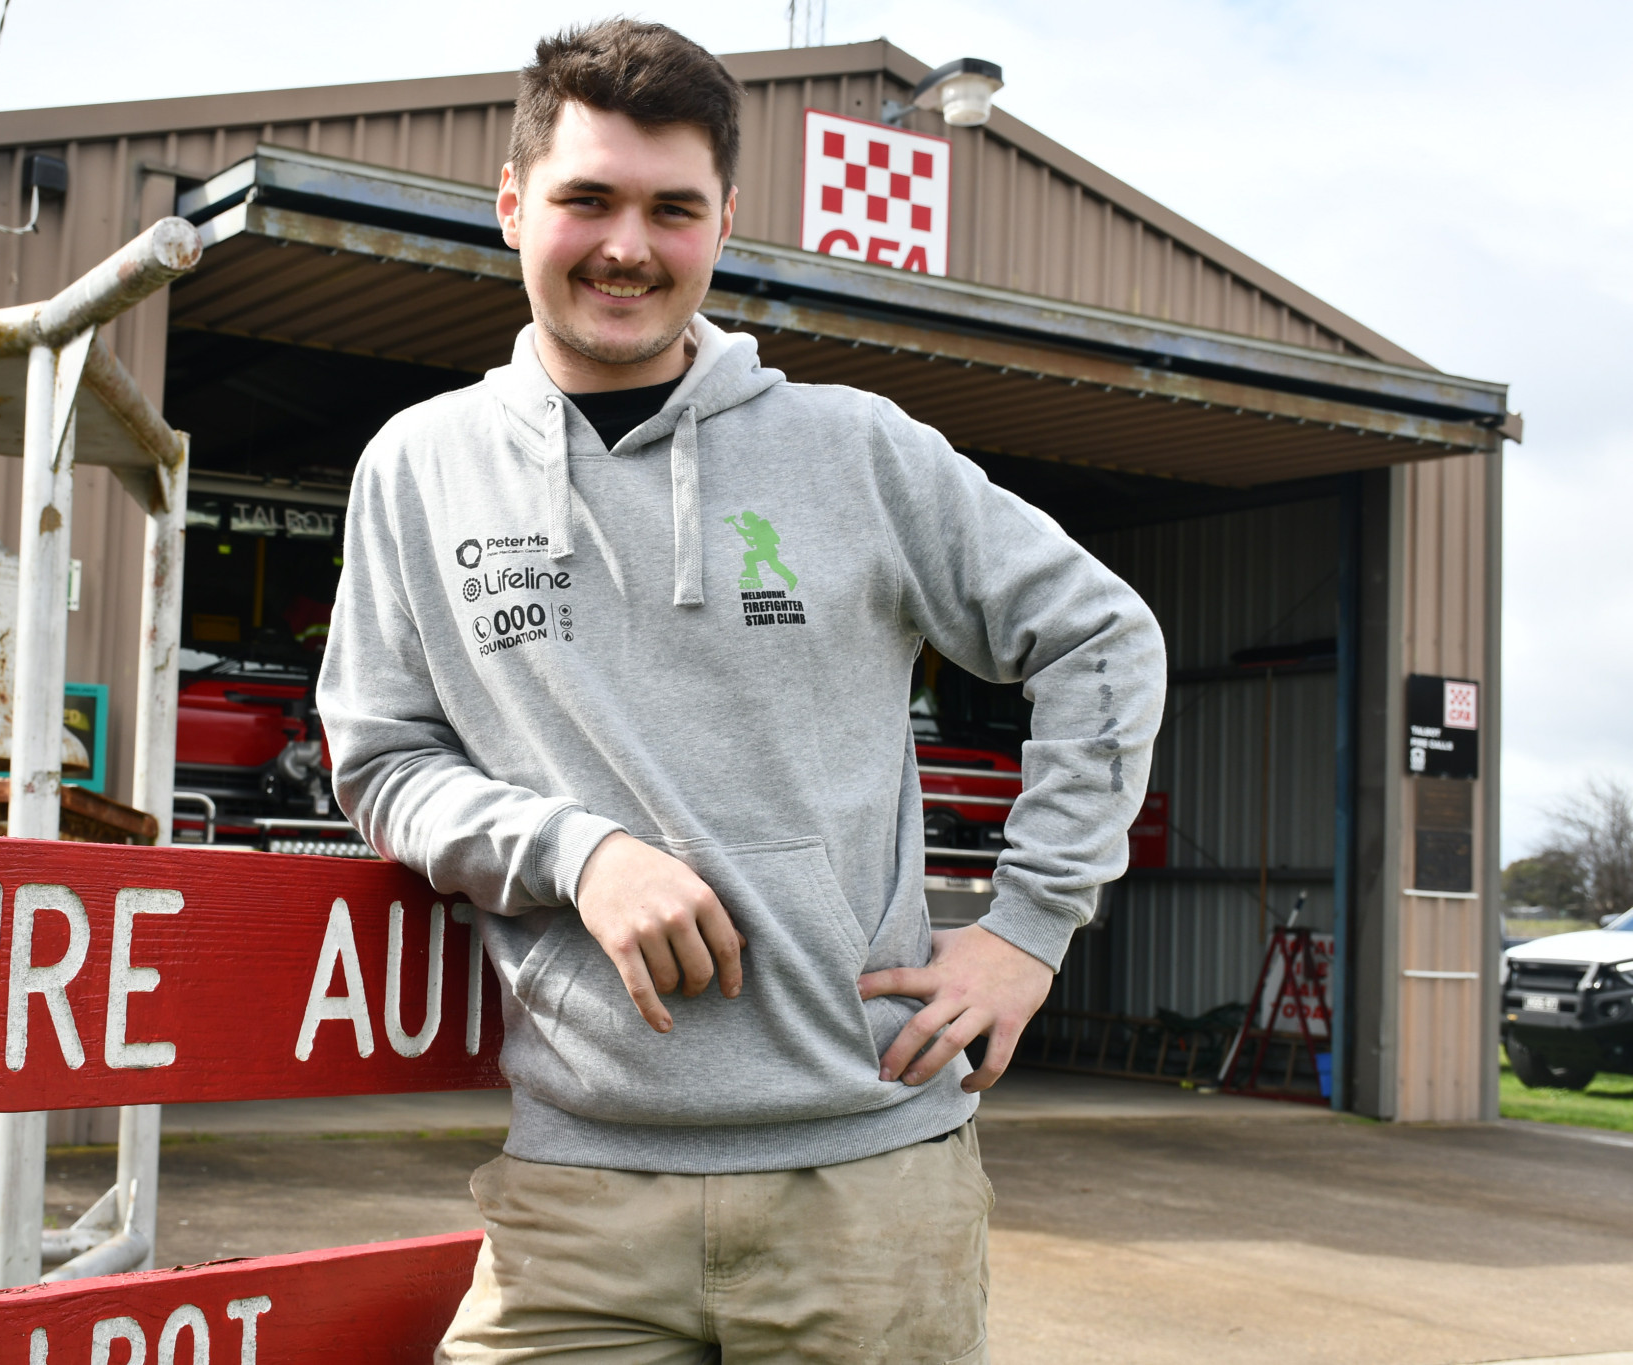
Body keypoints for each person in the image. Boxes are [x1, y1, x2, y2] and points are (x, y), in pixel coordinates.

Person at [317, 20, 1165, 1363]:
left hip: (868, 1184)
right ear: (511, 206)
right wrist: (575, 850)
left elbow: (1104, 638)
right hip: (578, 1189)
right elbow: (378, 757)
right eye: (587, 198)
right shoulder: (420, 468)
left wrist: (1031, 926)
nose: (627, 246)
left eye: (673, 208)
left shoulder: (856, 451)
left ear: (725, 224)